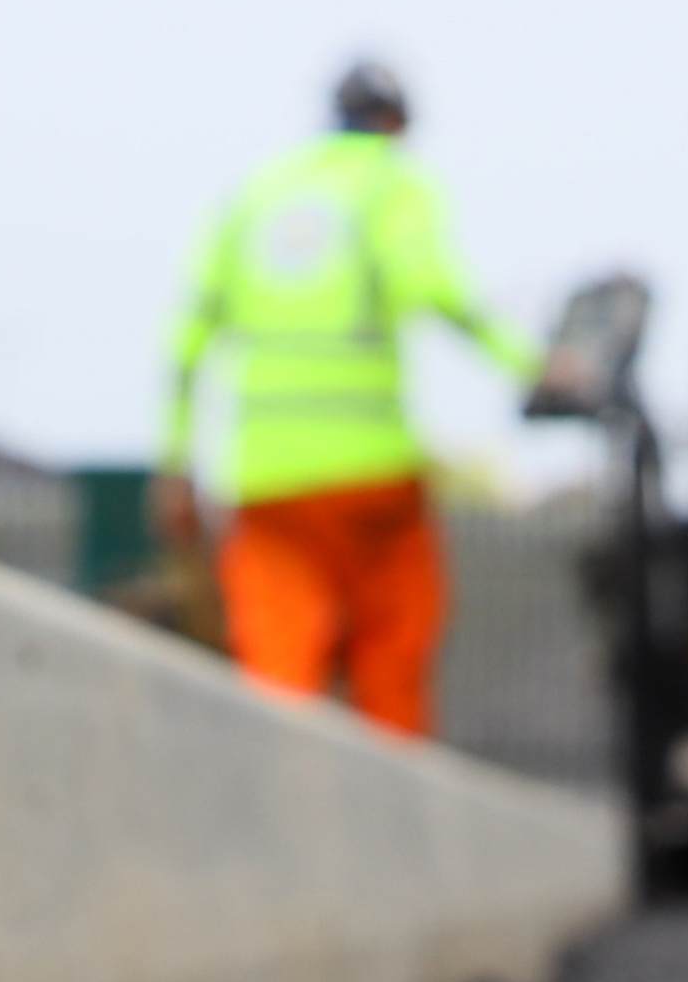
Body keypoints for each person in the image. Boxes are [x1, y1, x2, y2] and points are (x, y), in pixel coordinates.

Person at [153, 60, 530, 741]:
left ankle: (277, 810)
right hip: (368, 474)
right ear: (394, 123)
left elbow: (185, 342)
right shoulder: (388, 182)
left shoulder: (257, 194)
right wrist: (531, 364)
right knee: (391, 651)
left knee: (277, 676)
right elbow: (432, 286)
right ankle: (393, 813)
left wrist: (175, 463)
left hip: (266, 478)